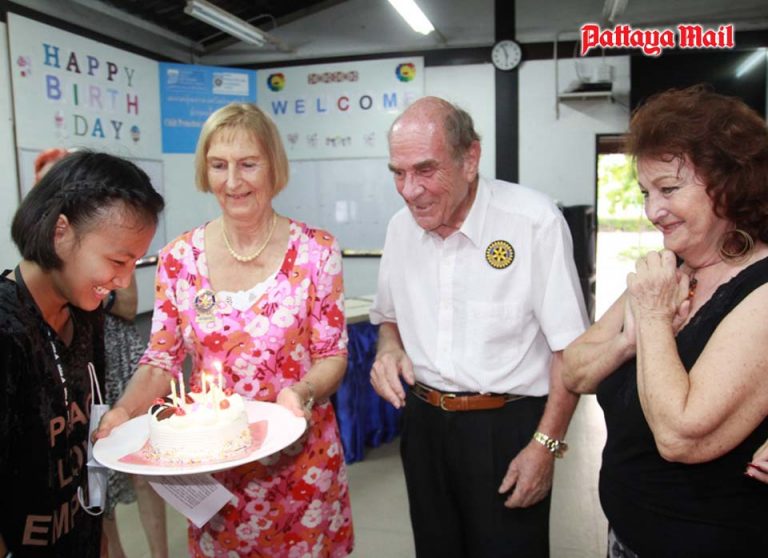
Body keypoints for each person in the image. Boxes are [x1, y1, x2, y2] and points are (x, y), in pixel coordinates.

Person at [96, 102, 354, 557]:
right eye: (219, 165)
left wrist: (302, 392)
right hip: (214, 471)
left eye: (248, 164)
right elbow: (160, 361)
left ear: (273, 166)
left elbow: (332, 354)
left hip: (302, 468)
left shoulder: (316, 251)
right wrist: (123, 411)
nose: (232, 181)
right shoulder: (179, 259)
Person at [369, 96, 588, 557]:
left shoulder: (533, 222)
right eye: (398, 173)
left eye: (425, 170)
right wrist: (388, 349)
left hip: (507, 427)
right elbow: (389, 319)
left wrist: (545, 446)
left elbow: (569, 351)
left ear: (470, 159)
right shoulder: (399, 229)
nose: (410, 190)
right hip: (424, 425)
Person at [563, 85, 768, 556]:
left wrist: (653, 317)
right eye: (646, 193)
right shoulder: (670, 269)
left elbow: (679, 436)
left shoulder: (758, 289)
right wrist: (627, 342)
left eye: (669, 189)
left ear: (730, 183)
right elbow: (574, 369)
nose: (652, 211)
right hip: (627, 536)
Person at [0, 151, 164, 557]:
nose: (124, 280)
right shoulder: (8, 330)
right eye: (117, 260)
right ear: (61, 232)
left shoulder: (85, 314)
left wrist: (98, 536)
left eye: (134, 262)